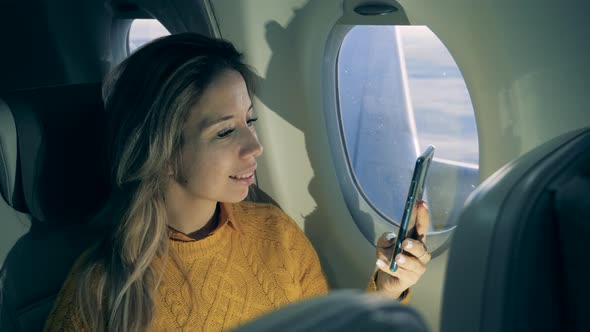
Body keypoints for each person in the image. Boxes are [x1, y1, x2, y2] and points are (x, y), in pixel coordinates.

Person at [43, 33, 431, 331]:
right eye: (225, 132)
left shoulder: (275, 232)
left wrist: (386, 288)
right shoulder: (99, 291)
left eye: (250, 121)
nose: (255, 146)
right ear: (161, 151)